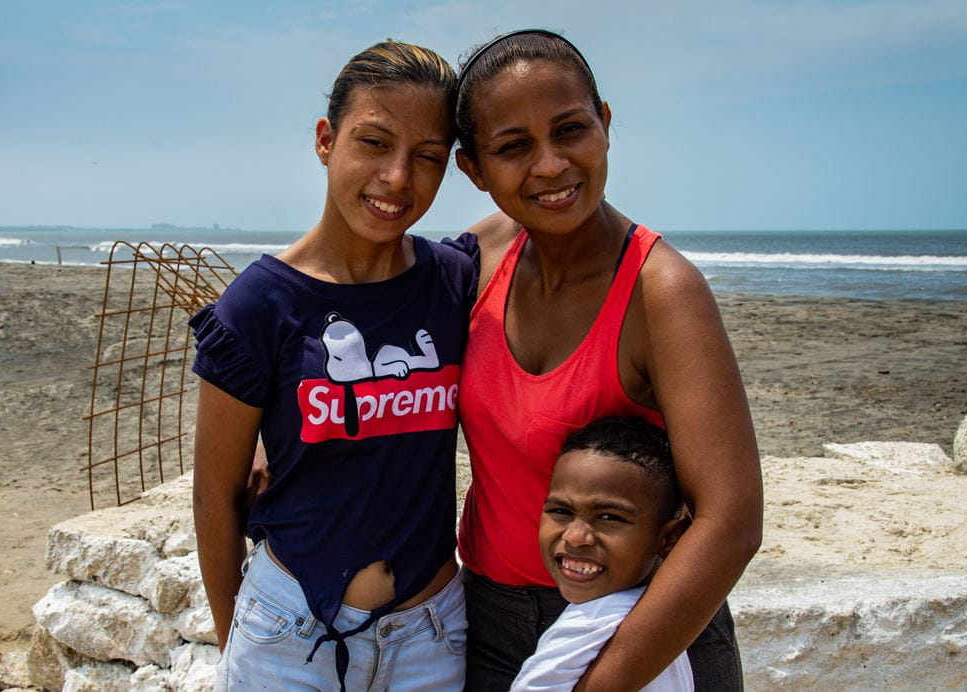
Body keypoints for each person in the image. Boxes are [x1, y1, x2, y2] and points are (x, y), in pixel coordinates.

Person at [450, 29, 764, 690]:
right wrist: (280, 435)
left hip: (642, 628)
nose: (551, 165)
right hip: (489, 618)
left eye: (570, 130)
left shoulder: (661, 291)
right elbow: (368, 334)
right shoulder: (474, 264)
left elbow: (730, 521)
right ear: (473, 169)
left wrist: (605, 682)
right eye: (512, 147)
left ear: (606, 124)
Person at [188, 40, 474, 691]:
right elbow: (215, 494)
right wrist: (237, 640)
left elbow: (538, 213)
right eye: (373, 142)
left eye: (427, 157)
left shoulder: (453, 281)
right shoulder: (258, 305)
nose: (398, 177)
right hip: (289, 640)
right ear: (325, 139)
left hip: (433, 640)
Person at [512, 416, 693, 692]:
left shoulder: (588, 627)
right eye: (561, 511)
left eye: (609, 517)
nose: (575, 537)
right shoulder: (663, 616)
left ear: (670, 537)